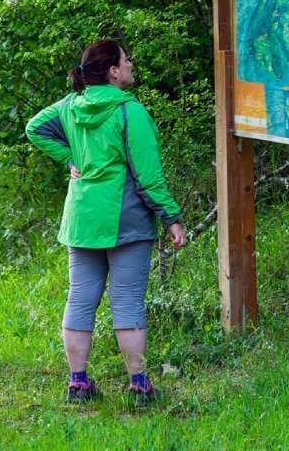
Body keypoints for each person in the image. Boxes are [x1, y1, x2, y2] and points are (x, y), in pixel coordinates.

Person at [25, 39, 186, 405]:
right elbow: (149, 177)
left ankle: (78, 383)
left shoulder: (70, 106)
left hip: (81, 219)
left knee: (80, 300)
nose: (131, 65)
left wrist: (69, 158)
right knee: (127, 302)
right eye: (126, 60)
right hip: (125, 221)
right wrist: (172, 218)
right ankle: (140, 387)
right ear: (113, 71)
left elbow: (35, 128)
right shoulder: (131, 113)